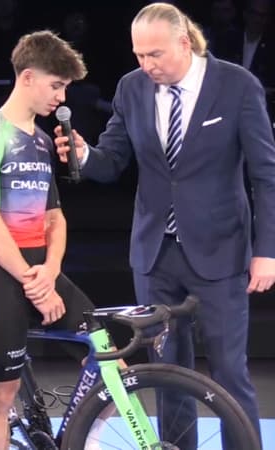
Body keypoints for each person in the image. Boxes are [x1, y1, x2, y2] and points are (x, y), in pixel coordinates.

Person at [54, 3, 275, 447]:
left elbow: (265, 175)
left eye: (155, 54)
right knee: (168, 374)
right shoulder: (132, 88)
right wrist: (84, 156)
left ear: (184, 43)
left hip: (221, 251)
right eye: (139, 55)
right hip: (155, 255)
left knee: (229, 374)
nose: (146, 64)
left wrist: (266, 250)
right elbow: (112, 159)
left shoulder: (236, 85)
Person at [0, 30, 94, 449]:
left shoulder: (42, 140)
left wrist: (50, 272)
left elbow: (55, 218)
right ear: (27, 77)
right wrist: (33, 282)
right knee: (0, 396)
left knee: (110, 360)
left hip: (42, 271)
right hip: (3, 272)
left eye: (65, 87)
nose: (61, 97)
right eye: (56, 85)